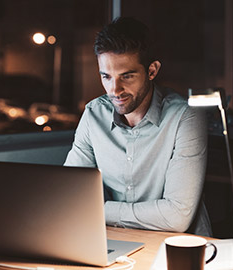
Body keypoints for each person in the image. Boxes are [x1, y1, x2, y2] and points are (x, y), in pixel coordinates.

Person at [64, 17, 211, 236]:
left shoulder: (185, 117)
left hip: (176, 246)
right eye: (106, 76)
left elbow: (177, 216)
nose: (115, 89)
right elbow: (68, 195)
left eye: (127, 76)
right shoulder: (94, 114)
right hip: (110, 240)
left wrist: (96, 210)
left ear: (152, 71)